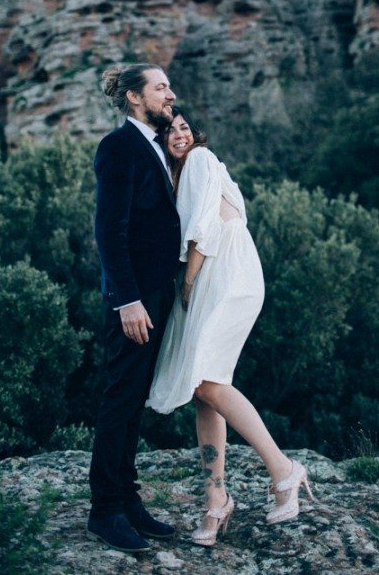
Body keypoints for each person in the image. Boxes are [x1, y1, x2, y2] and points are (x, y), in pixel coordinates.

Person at [147, 107, 313, 546]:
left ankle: (284, 470)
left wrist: (187, 282)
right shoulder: (177, 175)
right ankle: (215, 499)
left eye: (184, 127)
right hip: (212, 276)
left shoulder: (200, 159)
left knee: (206, 383)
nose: (179, 135)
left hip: (225, 275)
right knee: (205, 388)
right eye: (169, 131)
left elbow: (204, 229)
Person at [87, 63, 181, 554]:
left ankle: (128, 500)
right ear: (134, 97)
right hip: (133, 300)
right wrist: (127, 300)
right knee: (121, 397)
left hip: (155, 294)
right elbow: (109, 230)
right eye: (161, 87)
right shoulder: (118, 146)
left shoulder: (156, 145)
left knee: (135, 396)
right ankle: (105, 511)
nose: (171, 94)